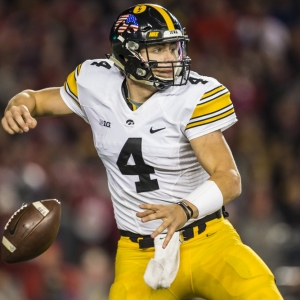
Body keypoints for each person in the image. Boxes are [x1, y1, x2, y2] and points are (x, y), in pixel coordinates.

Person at [1, 3, 283, 300]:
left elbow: (229, 178)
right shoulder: (96, 82)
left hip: (208, 240)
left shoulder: (194, 95)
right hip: (140, 253)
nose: (171, 58)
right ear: (127, 54)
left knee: (261, 293)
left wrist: (184, 209)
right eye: (158, 49)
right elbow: (36, 100)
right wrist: (17, 104)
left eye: (174, 47)